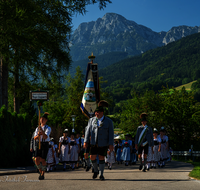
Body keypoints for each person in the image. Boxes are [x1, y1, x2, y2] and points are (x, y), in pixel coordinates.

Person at [84, 101, 114, 181]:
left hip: (103, 143)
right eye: (96, 112)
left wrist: (111, 144)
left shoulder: (108, 121)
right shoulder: (91, 120)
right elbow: (88, 131)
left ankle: (101, 174)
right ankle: (96, 170)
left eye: (98, 112)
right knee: (92, 157)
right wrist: (85, 141)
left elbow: (111, 134)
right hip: (93, 142)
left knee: (101, 158)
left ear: (102, 112)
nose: (96, 114)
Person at [33, 112, 51, 180]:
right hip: (38, 143)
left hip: (44, 143)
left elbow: (46, 137)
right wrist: (38, 135)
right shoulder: (37, 128)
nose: (42, 120)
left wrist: (42, 132)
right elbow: (34, 138)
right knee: (36, 159)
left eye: (43, 119)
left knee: (43, 159)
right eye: (41, 119)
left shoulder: (48, 128)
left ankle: (43, 174)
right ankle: (40, 171)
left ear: (46, 120)